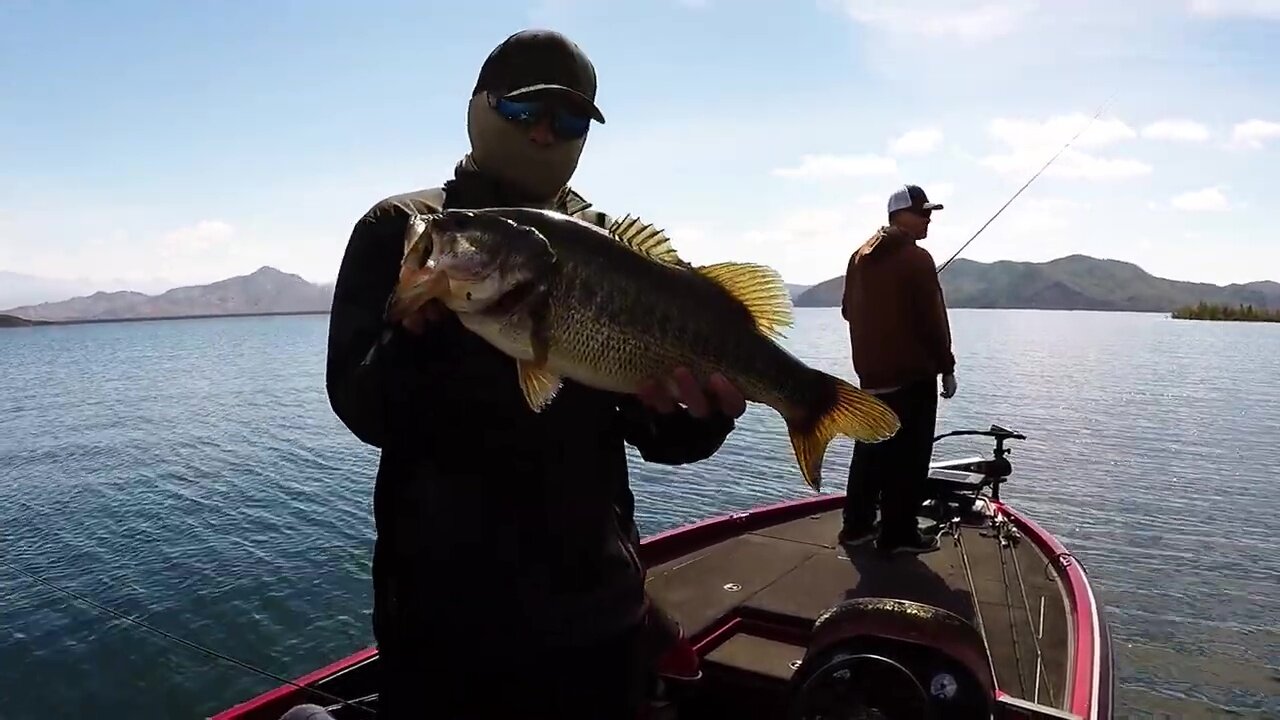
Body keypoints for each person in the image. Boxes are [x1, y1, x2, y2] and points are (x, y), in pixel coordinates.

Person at [323, 28, 744, 720]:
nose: (546, 134)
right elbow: (362, 405)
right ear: (481, 107)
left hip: (596, 614)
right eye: (524, 112)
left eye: (569, 119)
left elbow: (657, 435)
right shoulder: (405, 229)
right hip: (440, 624)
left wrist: (700, 418)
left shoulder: (612, 247)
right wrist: (423, 344)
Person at [837, 184, 957, 555]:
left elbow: (846, 310)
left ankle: (856, 527)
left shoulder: (858, 256)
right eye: (923, 213)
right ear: (900, 215)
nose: (928, 220)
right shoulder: (917, 259)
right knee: (910, 458)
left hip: (871, 378)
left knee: (870, 451)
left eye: (930, 214)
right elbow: (933, 321)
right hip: (912, 378)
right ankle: (898, 535)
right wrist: (947, 367)